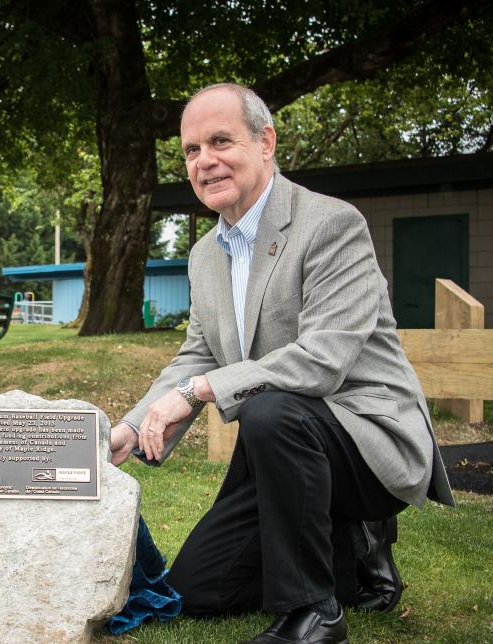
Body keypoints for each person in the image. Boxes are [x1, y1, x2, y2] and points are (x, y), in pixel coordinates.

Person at [110, 83, 454, 643]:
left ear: (266, 142)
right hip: (284, 449)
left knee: (270, 410)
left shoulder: (331, 225)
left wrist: (200, 391)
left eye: (221, 141)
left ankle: (315, 612)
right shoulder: (204, 255)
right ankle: (352, 552)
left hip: (365, 439)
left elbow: (321, 361)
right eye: (191, 150)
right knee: (195, 591)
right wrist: (131, 426)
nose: (205, 161)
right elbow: (197, 351)